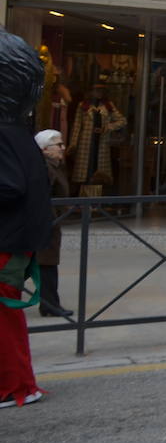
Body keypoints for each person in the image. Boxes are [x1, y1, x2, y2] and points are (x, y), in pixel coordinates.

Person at [0, 28, 50, 408]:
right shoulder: (20, 133)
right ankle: (19, 383)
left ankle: (16, 385)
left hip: (7, 240)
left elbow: (10, 187)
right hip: (15, 239)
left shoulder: (7, 133)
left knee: (5, 318)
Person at [33, 130, 71, 316]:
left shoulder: (55, 165)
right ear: (45, 149)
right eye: (59, 145)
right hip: (47, 223)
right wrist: (52, 218)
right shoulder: (45, 167)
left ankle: (49, 303)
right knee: (46, 263)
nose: (63, 148)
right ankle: (50, 304)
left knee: (46, 263)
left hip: (51, 222)